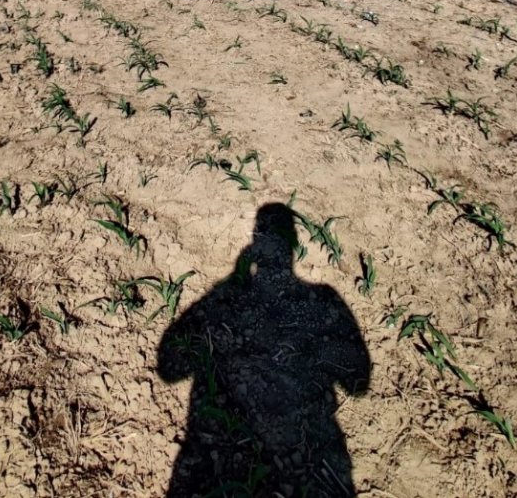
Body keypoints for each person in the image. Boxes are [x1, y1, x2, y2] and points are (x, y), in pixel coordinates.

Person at [157, 203, 370, 496]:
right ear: (296, 243)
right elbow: (358, 383)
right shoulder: (323, 301)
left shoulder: (227, 298)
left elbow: (169, 367)